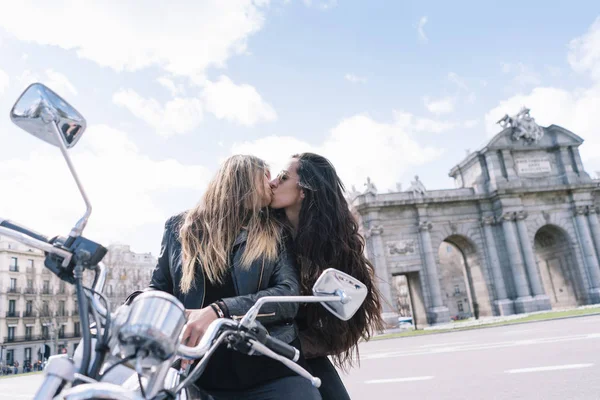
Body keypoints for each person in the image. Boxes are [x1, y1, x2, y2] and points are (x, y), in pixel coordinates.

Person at [146, 155, 321, 400]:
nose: (271, 184)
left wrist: (219, 310)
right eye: (265, 177)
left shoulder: (274, 230)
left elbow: (288, 294)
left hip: (272, 365)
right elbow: (158, 289)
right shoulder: (179, 228)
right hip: (202, 373)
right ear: (243, 181)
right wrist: (136, 306)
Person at [270, 153, 384, 400]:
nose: (272, 183)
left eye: (283, 177)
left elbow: (350, 323)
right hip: (253, 348)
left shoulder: (337, 246)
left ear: (303, 191)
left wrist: (296, 345)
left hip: (298, 351)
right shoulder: (261, 234)